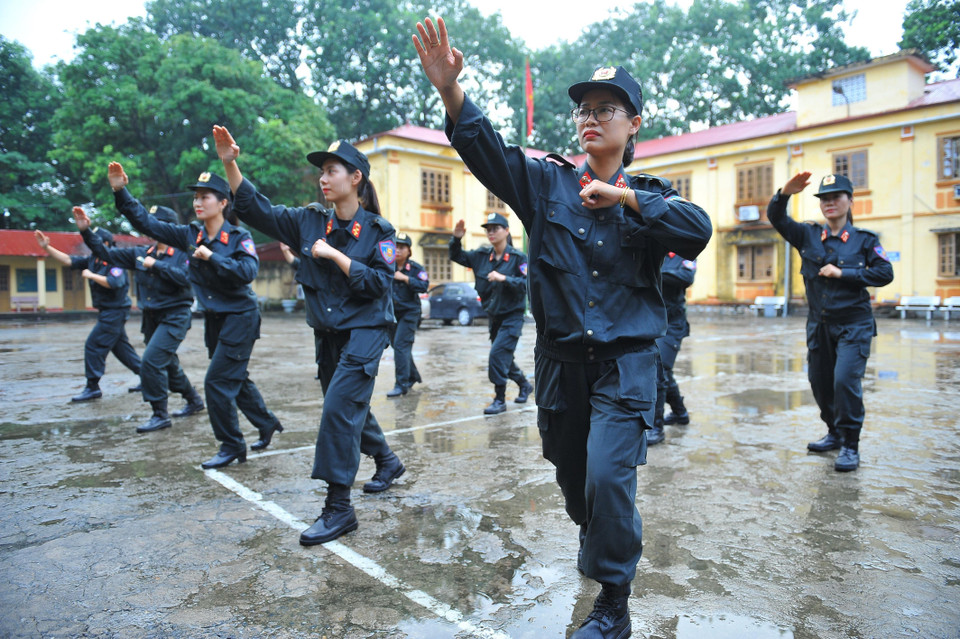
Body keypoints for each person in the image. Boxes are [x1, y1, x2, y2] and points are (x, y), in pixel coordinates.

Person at [414, 18, 712, 638]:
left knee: (609, 476)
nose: (591, 117)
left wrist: (626, 199)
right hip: (558, 365)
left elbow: (698, 229)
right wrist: (450, 92)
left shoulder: (652, 197)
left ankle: (614, 604)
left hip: (627, 363)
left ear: (634, 124)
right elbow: (486, 151)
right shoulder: (548, 182)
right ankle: (593, 530)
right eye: (584, 109)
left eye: (608, 109)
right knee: (573, 477)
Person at [211, 127, 407, 545]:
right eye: (321, 171)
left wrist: (335, 255)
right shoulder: (307, 221)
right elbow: (257, 209)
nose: (323, 177)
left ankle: (339, 508)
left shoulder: (379, 232)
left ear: (355, 178)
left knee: (338, 408)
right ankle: (387, 461)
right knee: (347, 403)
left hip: (368, 329)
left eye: (331, 170)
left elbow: (378, 284)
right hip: (329, 332)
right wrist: (230, 162)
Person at [108, 163, 283, 469]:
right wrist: (121, 191)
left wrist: (212, 257)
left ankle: (232, 446)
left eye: (206, 197)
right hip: (215, 318)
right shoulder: (189, 234)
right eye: (196, 198)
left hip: (241, 317)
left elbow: (247, 273)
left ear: (223, 202)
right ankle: (266, 423)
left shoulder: (238, 237)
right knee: (235, 378)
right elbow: (147, 223)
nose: (198, 203)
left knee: (216, 382)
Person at [767, 172, 893, 472]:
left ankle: (851, 444)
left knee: (844, 381)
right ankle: (834, 433)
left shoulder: (865, 241)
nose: (829, 203)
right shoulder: (808, 235)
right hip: (819, 325)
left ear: (850, 201)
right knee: (820, 384)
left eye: (836, 196)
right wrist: (784, 193)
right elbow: (777, 218)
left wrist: (844, 273)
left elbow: (884, 273)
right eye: (824, 198)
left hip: (854, 324)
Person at [72, 205, 204, 432]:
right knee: (169, 364)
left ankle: (159, 414)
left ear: (168, 227)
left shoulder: (185, 251)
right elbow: (106, 254)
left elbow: (185, 279)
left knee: (152, 361)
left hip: (175, 315)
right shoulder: (142, 253)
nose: (149, 228)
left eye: (155, 223)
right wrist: (87, 232)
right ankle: (193, 399)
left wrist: (158, 265)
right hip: (151, 316)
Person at [35, 225, 141, 402]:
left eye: (95, 241)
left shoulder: (115, 259)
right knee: (122, 349)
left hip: (115, 311)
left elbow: (114, 282)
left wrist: (92, 276)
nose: (90, 244)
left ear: (106, 243)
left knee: (94, 345)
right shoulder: (94, 259)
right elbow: (69, 260)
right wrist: (46, 247)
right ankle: (148, 377)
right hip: (107, 311)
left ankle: (93, 387)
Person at [449, 213, 533, 414]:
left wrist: (504, 278)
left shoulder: (518, 259)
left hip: (512, 317)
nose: (491, 232)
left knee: (496, 355)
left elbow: (528, 285)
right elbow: (456, 256)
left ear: (506, 231)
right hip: (494, 317)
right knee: (504, 356)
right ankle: (524, 384)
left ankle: (499, 399)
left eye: (496, 228)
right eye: (488, 229)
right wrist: (456, 239)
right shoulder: (480, 256)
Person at [647, 253, 697, 445]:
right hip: (652, 320)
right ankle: (680, 413)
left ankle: (656, 428)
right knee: (664, 369)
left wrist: (654, 270)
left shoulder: (685, 253)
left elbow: (686, 277)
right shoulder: (654, 249)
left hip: (673, 324)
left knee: (659, 367)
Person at [387, 232, 428, 397]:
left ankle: (401, 384)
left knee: (401, 346)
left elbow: (424, 285)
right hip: (392, 313)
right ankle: (412, 376)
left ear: (408, 251)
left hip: (410, 313)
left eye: (402, 247)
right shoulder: (386, 266)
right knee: (398, 347)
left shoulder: (416, 269)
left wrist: (405, 278)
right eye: (395, 246)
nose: (397, 250)